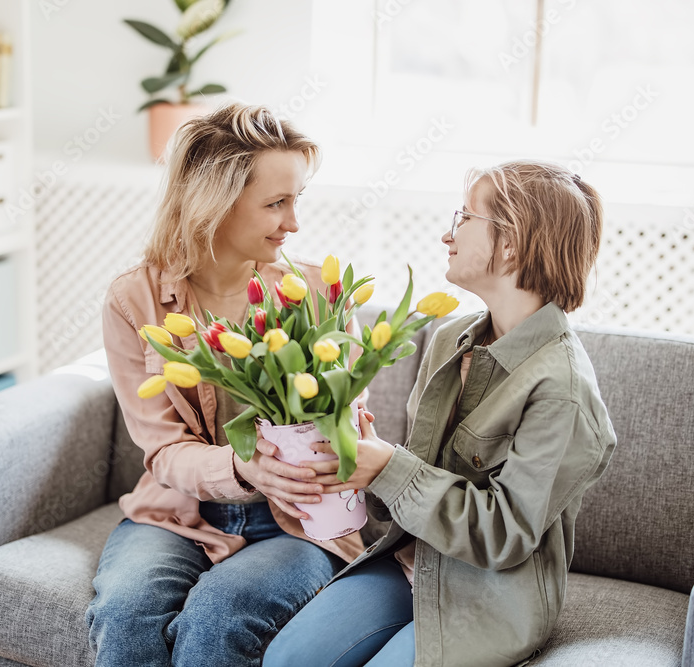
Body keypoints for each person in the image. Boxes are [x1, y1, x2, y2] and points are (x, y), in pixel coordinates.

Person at [264, 160, 618, 667]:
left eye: (465, 218)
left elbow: (504, 536)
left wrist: (388, 468)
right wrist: (363, 456)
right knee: (286, 661)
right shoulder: (452, 339)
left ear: (512, 242)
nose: (446, 235)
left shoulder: (562, 390)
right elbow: (413, 475)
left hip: (490, 595)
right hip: (412, 559)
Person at [85, 103, 364, 667]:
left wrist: (343, 438)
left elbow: (351, 422)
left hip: (299, 520)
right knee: (124, 611)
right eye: (275, 203)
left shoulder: (319, 294)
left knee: (220, 616)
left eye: (296, 200)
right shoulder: (133, 300)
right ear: (215, 207)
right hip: (177, 512)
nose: (294, 223)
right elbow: (162, 449)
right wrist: (241, 468)